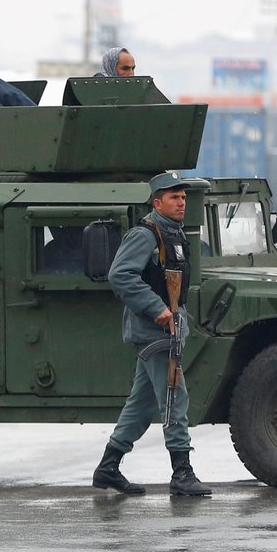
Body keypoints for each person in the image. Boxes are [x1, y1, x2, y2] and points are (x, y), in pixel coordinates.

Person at [92, 171, 212, 497]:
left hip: (168, 329)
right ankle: (182, 473)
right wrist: (156, 308)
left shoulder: (174, 234)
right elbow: (120, 275)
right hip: (155, 331)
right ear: (157, 202)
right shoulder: (146, 235)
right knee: (175, 397)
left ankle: (108, 467)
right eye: (174, 197)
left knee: (142, 404)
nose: (181, 202)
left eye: (183, 197)